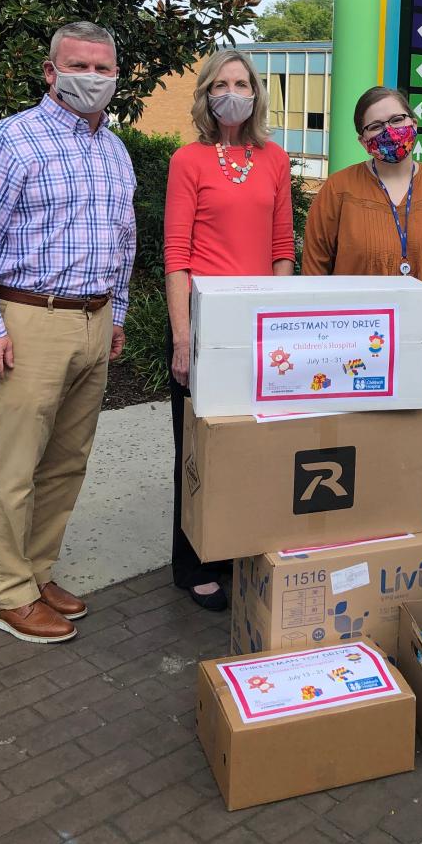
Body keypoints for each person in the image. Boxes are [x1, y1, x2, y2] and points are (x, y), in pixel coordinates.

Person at [0, 22, 136, 644]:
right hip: (28, 319)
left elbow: (123, 239)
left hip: (94, 316)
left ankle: (36, 571)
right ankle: (6, 593)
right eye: (78, 65)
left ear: (116, 77)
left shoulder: (114, 149)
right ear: (51, 72)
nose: (92, 77)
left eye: (103, 69)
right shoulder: (8, 141)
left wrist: (122, 314)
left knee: (65, 462)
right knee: (14, 465)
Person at [164, 49, 294, 610]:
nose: (233, 92)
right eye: (221, 83)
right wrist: (182, 338)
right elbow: (176, 255)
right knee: (199, 450)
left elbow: (283, 247)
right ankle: (193, 562)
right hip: (204, 323)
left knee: (253, 448)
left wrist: (281, 319)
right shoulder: (188, 160)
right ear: (205, 94)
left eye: (242, 83)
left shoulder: (274, 159)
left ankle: (241, 550)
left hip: (260, 326)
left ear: (257, 91)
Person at [302, 86, 422, 400]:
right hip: (353, 347)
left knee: (409, 431)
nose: (389, 131)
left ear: (414, 122)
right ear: (362, 141)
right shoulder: (338, 190)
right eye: (375, 126)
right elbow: (314, 268)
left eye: (397, 119)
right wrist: (319, 340)